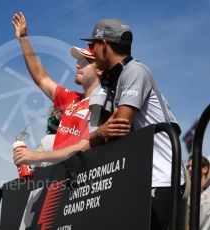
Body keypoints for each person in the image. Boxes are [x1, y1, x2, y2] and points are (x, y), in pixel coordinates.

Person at [83, 18, 186, 229]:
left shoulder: (135, 71)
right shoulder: (118, 78)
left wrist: (98, 136)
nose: (91, 52)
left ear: (104, 44)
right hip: (141, 178)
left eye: (93, 45)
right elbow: (105, 132)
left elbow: (119, 125)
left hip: (161, 178)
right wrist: (98, 135)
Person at [11, 12, 130, 165]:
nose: (77, 64)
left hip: (85, 182)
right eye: (78, 60)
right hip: (60, 181)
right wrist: (24, 40)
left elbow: (87, 144)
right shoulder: (71, 99)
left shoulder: (107, 102)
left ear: (99, 68)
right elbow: (41, 78)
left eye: (84, 61)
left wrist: (36, 156)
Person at [187, 156, 210, 229]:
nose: (190, 169)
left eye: (193, 166)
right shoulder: (192, 194)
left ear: (205, 169)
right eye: (188, 166)